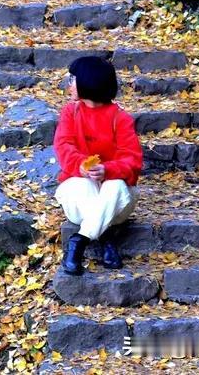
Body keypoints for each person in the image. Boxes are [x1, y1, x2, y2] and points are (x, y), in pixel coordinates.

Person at [53, 55, 143, 275]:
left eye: (72, 79)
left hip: (116, 202)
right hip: (81, 201)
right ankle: (105, 237)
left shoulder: (120, 118)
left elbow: (133, 160)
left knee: (115, 186)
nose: (69, 84)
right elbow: (64, 147)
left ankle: (79, 241)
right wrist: (82, 166)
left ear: (87, 81)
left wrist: (108, 170)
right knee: (81, 185)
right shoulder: (70, 112)